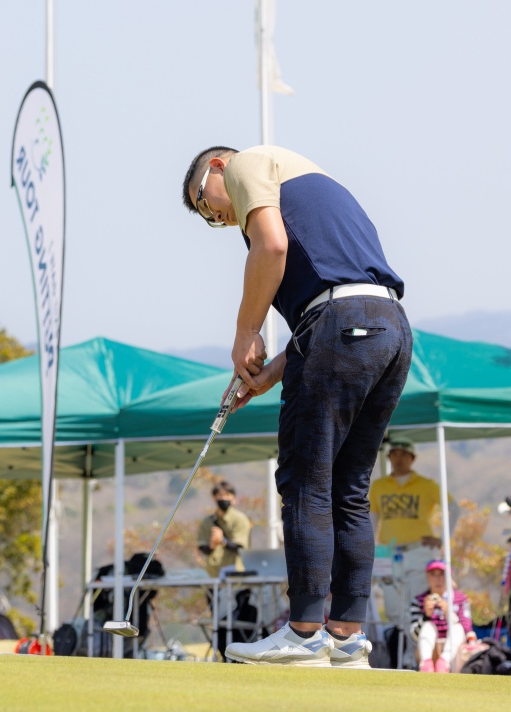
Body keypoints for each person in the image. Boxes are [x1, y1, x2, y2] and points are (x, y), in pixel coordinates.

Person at [183, 145, 410, 669]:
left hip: (345, 324)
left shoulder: (247, 163)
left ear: (217, 168)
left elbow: (272, 247)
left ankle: (304, 634)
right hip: (390, 327)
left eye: (204, 202)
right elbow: (336, 301)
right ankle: (347, 640)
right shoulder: (312, 186)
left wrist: (245, 332)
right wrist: (273, 372)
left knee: (306, 480)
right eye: (207, 219)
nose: (215, 217)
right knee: (348, 489)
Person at [369, 437, 446, 630]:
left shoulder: (427, 484)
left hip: (418, 550)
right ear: (389, 457)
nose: (399, 459)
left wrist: (443, 539)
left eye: (404, 454)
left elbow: (452, 507)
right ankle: (401, 646)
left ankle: (416, 648)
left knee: (417, 604)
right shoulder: (378, 486)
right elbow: (372, 518)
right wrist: (369, 548)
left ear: (412, 458)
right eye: (394, 454)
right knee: (392, 608)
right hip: (388, 552)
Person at [410, 560, 475, 672]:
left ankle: (443, 664)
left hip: (455, 654)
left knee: (457, 628)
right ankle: (426, 665)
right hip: (429, 650)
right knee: (428, 626)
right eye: (433, 574)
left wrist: (449, 613)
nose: (438, 579)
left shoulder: (460, 598)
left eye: (441, 574)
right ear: (427, 577)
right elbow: (414, 636)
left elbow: (466, 629)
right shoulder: (419, 600)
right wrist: (426, 616)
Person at [197, 480, 252, 578]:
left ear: (233, 497)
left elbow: (241, 547)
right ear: (214, 497)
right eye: (220, 495)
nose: (223, 498)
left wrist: (222, 540)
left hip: (236, 572)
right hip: (212, 572)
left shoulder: (240, 519)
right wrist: (212, 545)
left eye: (227, 495)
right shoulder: (207, 521)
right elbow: (202, 547)